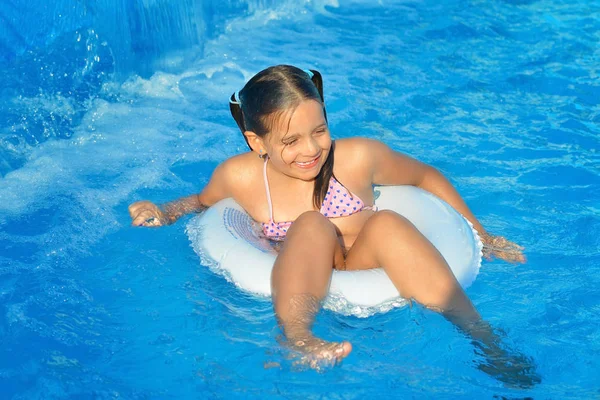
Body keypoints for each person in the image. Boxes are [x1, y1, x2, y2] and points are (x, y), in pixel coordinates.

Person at [129, 65, 537, 386]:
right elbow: (199, 202)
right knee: (312, 224)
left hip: (361, 264)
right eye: (291, 141)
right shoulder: (241, 177)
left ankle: (485, 341)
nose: (310, 150)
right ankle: (298, 338)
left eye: (319, 131)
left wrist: (482, 235)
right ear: (257, 142)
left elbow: (425, 178)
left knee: (389, 223)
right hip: (300, 273)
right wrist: (164, 211)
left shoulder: (357, 158)